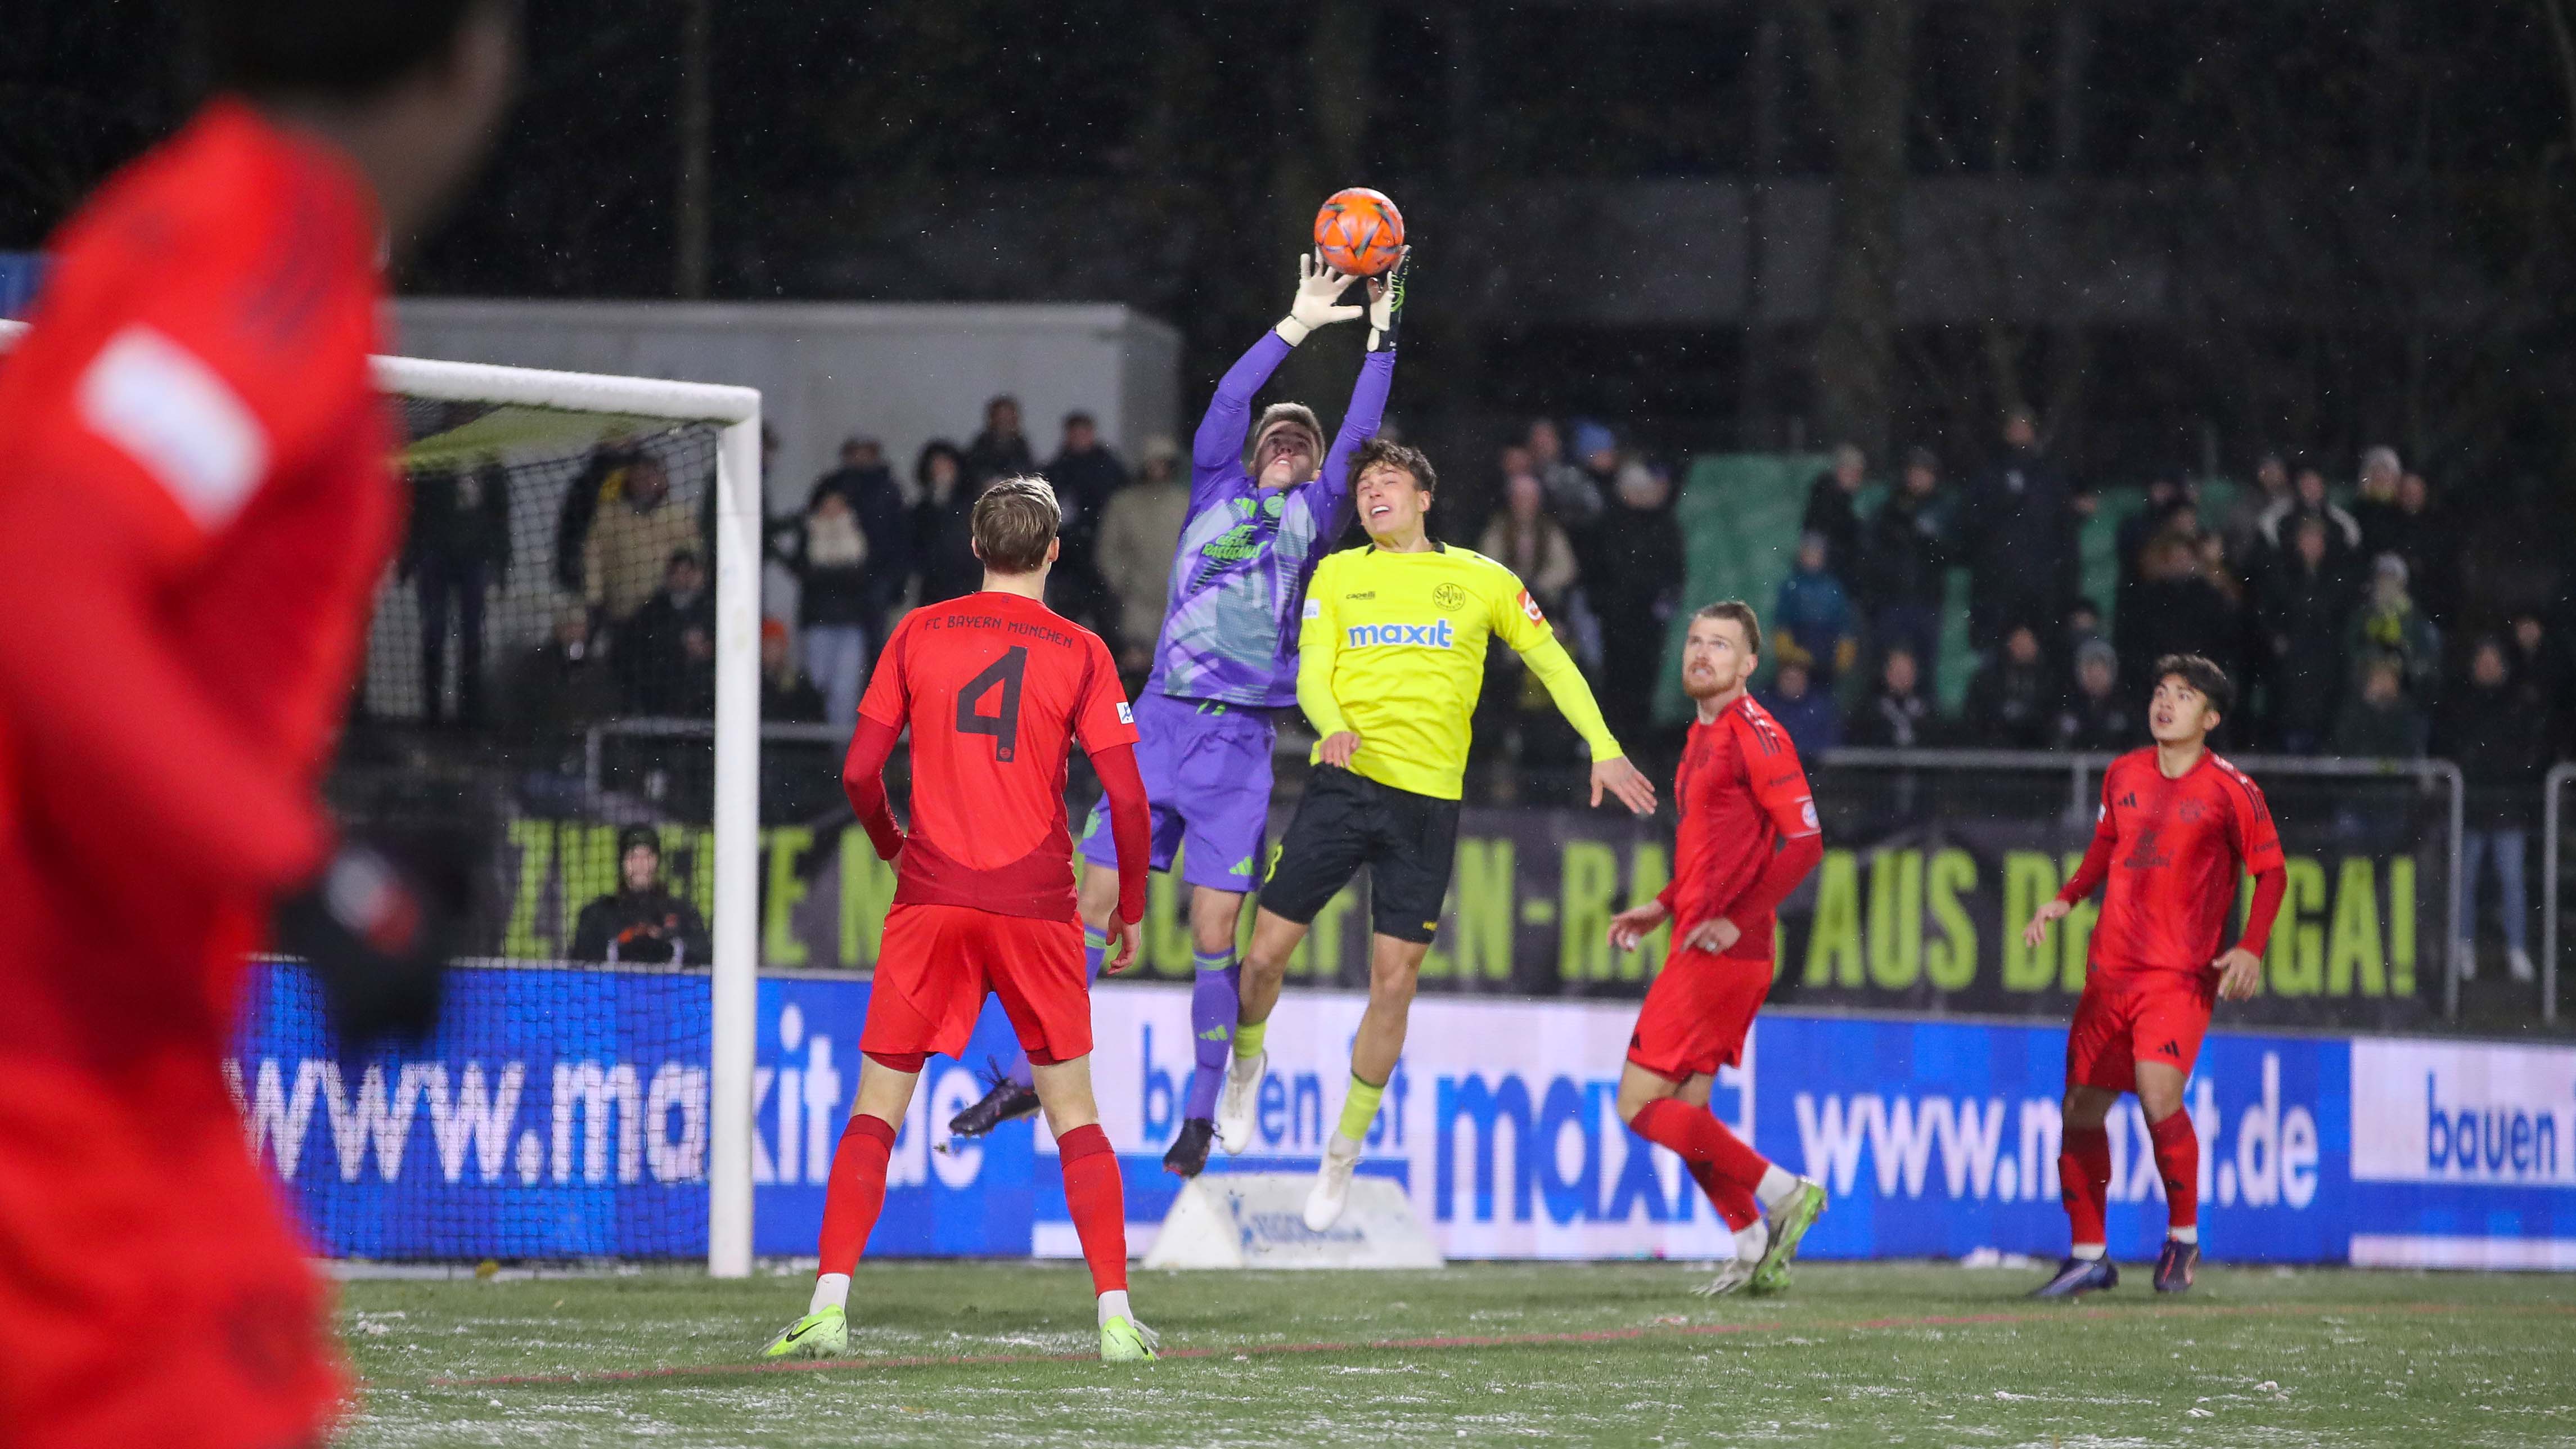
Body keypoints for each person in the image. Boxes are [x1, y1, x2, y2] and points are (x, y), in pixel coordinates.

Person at [0, 2, 517, 1443]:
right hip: (62, 1087)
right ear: (465, 60)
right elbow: (43, 578)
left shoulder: (165, 221)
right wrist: (317, 866)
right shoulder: (272, 251)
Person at [947, 250, 1406, 1176]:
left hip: (1238, 749)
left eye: (1302, 440)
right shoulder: (1211, 485)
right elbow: (1235, 398)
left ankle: (1201, 1114)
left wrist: (1381, 334)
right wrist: (1300, 324)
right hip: (1153, 726)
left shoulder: (1317, 514)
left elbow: (1359, 424)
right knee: (1086, 904)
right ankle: (1038, 1072)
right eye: (1277, 434)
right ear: (1249, 452)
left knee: (1211, 938)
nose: (1288, 440)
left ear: (1320, 468)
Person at [763, 478, 1156, 1364]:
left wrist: (894, 848)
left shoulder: (918, 631)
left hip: (932, 898)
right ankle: (1115, 1315)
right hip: (1038, 909)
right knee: (1075, 1116)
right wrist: (1128, 903)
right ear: (1055, 550)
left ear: (977, 550)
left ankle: (829, 1301)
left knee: (877, 1108)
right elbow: (1128, 801)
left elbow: (861, 773)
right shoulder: (1085, 651)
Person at [1221, 439, 1659, 1230]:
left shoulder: (1483, 580)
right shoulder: (1339, 574)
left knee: (1395, 983)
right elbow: (1314, 672)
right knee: (1261, 960)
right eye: (1363, 487)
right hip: (1344, 784)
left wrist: (1604, 745)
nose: (1371, 494)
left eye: (1388, 482)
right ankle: (1246, 1065)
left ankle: (1341, 1158)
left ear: (1425, 496)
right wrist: (1334, 727)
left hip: (1428, 807)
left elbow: (1552, 661)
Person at [2021, 655, 2286, 1298]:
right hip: (2109, 972)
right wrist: (2066, 896)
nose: (2165, 703)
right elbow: (2105, 848)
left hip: (2177, 975)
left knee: (2155, 1094)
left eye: (2184, 695)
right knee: (2079, 1108)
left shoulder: (2231, 789)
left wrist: (2249, 947)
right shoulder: (2122, 773)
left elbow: (2272, 873)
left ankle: (2183, 1237)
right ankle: (2089, 1256)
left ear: (2211, 717)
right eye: (2160, 690)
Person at [1606, 602, 1827, 1295]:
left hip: (1722, 951)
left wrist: (1739, 916)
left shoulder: (1755, 735)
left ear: (1748, 663)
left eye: (1721, 645)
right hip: (1702, 935)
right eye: (1696, 641)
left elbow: (1806, 841)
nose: (1702, 653)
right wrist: (1663, 905)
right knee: (1687, 1113)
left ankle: (1784, 1192)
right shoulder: (1703, 733)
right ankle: (1749, 1238)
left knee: (1638, 1104)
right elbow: (1712, 852)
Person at [2438, 638, 2546, 984]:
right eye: (2481, 659)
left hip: (2508, 809)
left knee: (2512, 883)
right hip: (2468, 809)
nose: (2487, 666)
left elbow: (2527, 754)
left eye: (2492, 659)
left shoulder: (2517, 703)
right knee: (2463, 882)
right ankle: (2463, 948)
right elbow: (2451, 748)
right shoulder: (2460, 703)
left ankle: (2516, 949)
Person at [1962, 408, 2088, 652]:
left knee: (2043, 658)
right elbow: (1971, 527)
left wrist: (2067, 589)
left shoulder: (2051, 476)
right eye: (2014, 426)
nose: (2019, 432)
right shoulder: (1988, 474)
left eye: (2024, 426)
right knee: (1996, 658)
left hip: (2042, 591)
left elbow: (2066, 536)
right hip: (1998, 590)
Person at [402, 453, 510, 726]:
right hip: (436, 555)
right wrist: (409, 559)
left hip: (474, 557)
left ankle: (469, 715)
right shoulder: (439, 458)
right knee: (434, 632)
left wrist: (501, 563)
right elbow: (417, 509)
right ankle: (433, 715)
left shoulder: (489, 463)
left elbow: (500, 515)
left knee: (472, 637)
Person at [1587, 457, 1686, 749]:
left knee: (1645, 679)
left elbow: (1674, 571)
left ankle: (1638, 740)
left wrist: (1662, 600)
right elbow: (1604, 570)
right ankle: (1614, 740)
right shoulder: (1610, 524)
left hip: (1648, 619)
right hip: (1617, 618)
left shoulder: (1664, 524)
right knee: (1616, 680)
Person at [774, 485, 872, 728]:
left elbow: (861, 577)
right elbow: (802, 571)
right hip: (818, 622)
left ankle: (841, 756)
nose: (832, 510)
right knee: (817, 685)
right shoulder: (809, 533)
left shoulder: (857, 533)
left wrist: (826, 574)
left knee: (845, 693)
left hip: (851, 624)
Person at [1856, 447, 1951, 694]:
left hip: (1926, 604)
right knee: (1883, 671)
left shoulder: (1942, 512)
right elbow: (1871, 558)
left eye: (1925, 473)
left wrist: (1930, 539)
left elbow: (1953, 553)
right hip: (1892, 602)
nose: (1919, 479)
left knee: (1924, 674)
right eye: (1915, 472)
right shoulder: (1888, 512)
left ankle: (1923, 730)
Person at [2254, 515, 2352, 753]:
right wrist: (2278, 641)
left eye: (2317, 538)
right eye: (2307, 537)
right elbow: (2266, 612)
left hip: (2325, 661)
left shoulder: (2336, 574)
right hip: (2291, 662)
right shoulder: (2281, 572)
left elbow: (2342, 614)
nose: (2311, 544)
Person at [807, 435, 914, 651]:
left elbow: (900, 537)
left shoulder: (887, 490)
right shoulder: (834, 486)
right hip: (840, 581)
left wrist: (896, 579)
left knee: (872, 639)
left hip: (877, 575)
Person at [1097, 436, 1188, 674]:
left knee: (1175, 670)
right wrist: (1124, 583)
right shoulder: (1124, 503)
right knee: (1135, 669)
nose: (1158, 468)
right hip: (1138, 602)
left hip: (1177, 600)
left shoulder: (1185, 503)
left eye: (1164, 463)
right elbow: (1108, 551)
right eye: (1154, 462)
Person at [582, 452, 697, 627]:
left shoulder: (679, 517)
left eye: (651, 476)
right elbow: (593, 561)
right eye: (640, 477)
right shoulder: (609, 516)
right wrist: (594, 601)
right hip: (622, 616)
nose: (646, 483)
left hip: (668, 616)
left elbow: (695, 562)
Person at [568, 825, 713, 964]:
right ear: (622, 862)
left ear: (657, 860)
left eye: (647, 856)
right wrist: (624, 943)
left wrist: (667, 946)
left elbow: (704, 958)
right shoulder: (597, 914)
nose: (641, 864)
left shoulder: (683, 913)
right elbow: (581, 964)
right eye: (633, 856)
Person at [1043, 410, 1129, 641]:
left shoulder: (1109, 469)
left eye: (1084, 433)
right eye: (1076, 434)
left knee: (1107, 625)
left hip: (1102, 558)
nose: (1081, 438)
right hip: (1068, 562)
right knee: (1065, 625)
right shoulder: (1056, 470)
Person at [614, 548, 715, 716]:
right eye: (678, 573)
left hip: (702, 697)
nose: (683, 578)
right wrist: (681, 645)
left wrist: (707, 649)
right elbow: (637, 648)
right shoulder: (653, 610)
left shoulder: (709, 607)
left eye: (687, 572)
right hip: (663, 694)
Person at [1476, 468, 1582, 611]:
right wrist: (1518, 584)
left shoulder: (1550, 530)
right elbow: (1488, 564)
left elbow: (1566, 567)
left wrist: (1539, 585)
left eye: (1529, 498)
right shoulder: (1498, 529)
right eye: (1519, 498)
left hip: (1546, 601)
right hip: (1509, 600)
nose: (1524, 504)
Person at [1771, 532, 1856, 683]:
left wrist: (1846, 644)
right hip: (1798, 652)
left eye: (1817, 553)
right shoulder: (1792, 585)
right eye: (1809, 552)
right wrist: (1786, 647)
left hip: (1829, 652)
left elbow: (1844, 620)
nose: (1813, 558)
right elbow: (1782, 619)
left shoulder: (1833, 586)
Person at [1963, 623, 2058, 749]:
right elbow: (1976, 712)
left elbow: (2051, 713)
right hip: (1995, 746)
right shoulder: (1989, 678)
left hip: (2036, 745)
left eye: (2027, 643)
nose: (2023, 649)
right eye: (2019, 643)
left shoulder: (2049, 679)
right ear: (2009, 645)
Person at [911, 439, 981, 605]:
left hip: (967, 586)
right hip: (933, 588)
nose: (942, 472)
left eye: (946, 465)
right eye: (936, 467)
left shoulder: (973, 505)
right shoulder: (922, 509)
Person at [2329, 655, 2427, 760]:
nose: (2383, 684)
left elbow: (2412, 749)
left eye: (2388, 677)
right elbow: (2347, 748)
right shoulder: (2352, 713)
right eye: (2378, 677)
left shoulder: (2408, 712)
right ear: (2367, 683)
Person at [2055, 640, 2138, 752]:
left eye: (2101, 670)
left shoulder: (2125, 708)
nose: (2095, 676)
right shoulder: (2066, 707)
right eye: (2089, 669)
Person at [1846, 647, 1936, 749]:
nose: (1902, 678)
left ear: (1915, 675)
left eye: (1907, 673)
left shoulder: (1928, 713)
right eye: (1898, 672)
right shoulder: (1870, 713)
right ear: (1887, 674)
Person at [1800, 443, 1867, 577]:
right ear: (1841, 470)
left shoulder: (1844, 498)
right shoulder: (1827, 495)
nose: (1857, 479)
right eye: (1853, 473)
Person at [1757, 656, 1840, 759]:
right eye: (1788, 678)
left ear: (1806, 679)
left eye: (1797, 678)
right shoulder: (1763, 705)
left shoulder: (1820, 708)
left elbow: (1830, 745)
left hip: (1815, 768)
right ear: (1779, 679)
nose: (1792, 683)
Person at [1526, 416, 1604, 525]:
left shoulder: (1573, 474)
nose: (1542, 444)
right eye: (1538, 438)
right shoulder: (1522, 473)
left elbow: (1594, 506)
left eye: (1547, 438)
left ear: (1557, 443)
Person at [760, 616, 826, 724]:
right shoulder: (754, 681)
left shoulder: (797, 680)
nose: (771, 651)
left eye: (776, 645)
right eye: (767, 645)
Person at [962, 394, 1037, 486]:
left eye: (1009, 417)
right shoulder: (980, 446)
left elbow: (1027, 472)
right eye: (1001, 417)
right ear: (992, 419)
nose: (1004, 422)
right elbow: (972, 473)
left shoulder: (1022, 446)